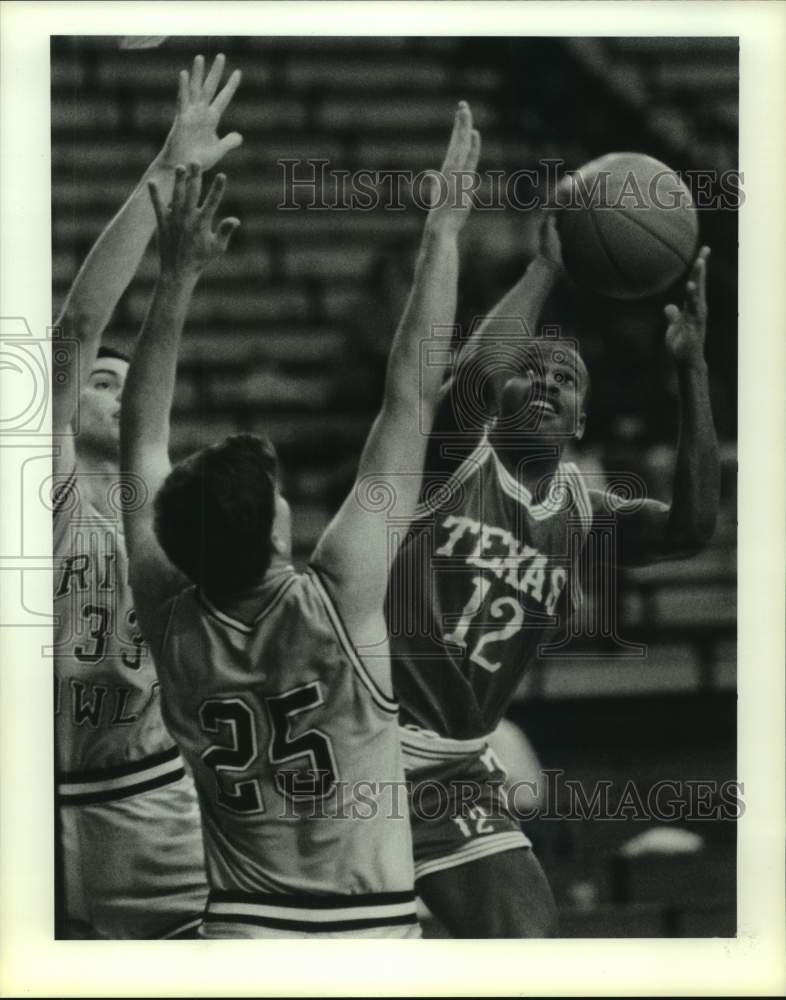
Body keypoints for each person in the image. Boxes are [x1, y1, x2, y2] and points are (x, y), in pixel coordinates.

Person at [119, 105, 481, 938]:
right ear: (279, 531)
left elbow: (142, 432)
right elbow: (412, 395)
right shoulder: (341, 592)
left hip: (244, 931)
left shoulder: (167, 609)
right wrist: (445, 230)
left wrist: (176, 276)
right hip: (369, 927)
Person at [387, 214, 720, 937]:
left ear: (579, 419)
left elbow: (690, 529)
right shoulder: (450, 461)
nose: (544, 384)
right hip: (366, 739)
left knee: (530, 944)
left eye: (564, 380)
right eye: (530, 373)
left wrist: (691, 370)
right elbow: (474, 374)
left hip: (452, 768)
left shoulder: (582, 511)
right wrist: (545, 271)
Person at [52, 53, 243, 939]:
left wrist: (182, 280)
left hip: (145, 794)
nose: (113, 382)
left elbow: (149, 412)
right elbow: (78, 331)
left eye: (126, 383)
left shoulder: (153, 503)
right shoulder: (40, 488)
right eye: (100, 378)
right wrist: (170, 163)